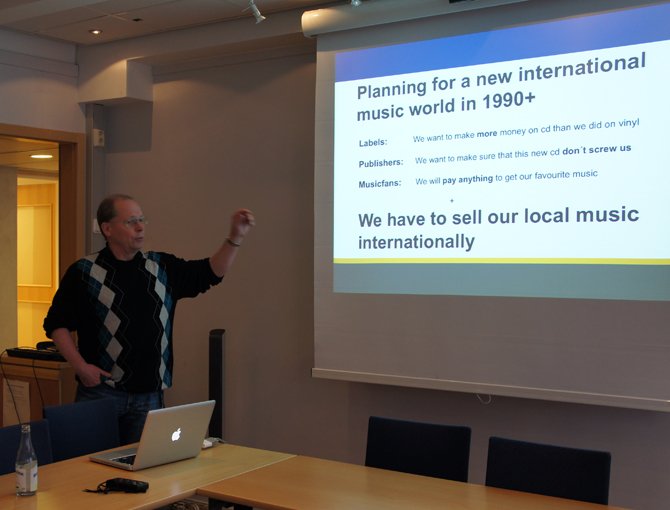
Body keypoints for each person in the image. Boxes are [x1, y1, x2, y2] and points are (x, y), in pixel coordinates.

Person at [43, 194, 255, 444]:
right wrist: (80, 367)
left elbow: (210, 273)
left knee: (144, 466)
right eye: (131, 221)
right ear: (107, 229)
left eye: (142, 220)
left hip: (150, 397)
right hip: (101, 393)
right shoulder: (85, 273)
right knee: (89, 465)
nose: (140, 227)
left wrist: (235, 237)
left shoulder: (161, 268)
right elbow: (56, 324)